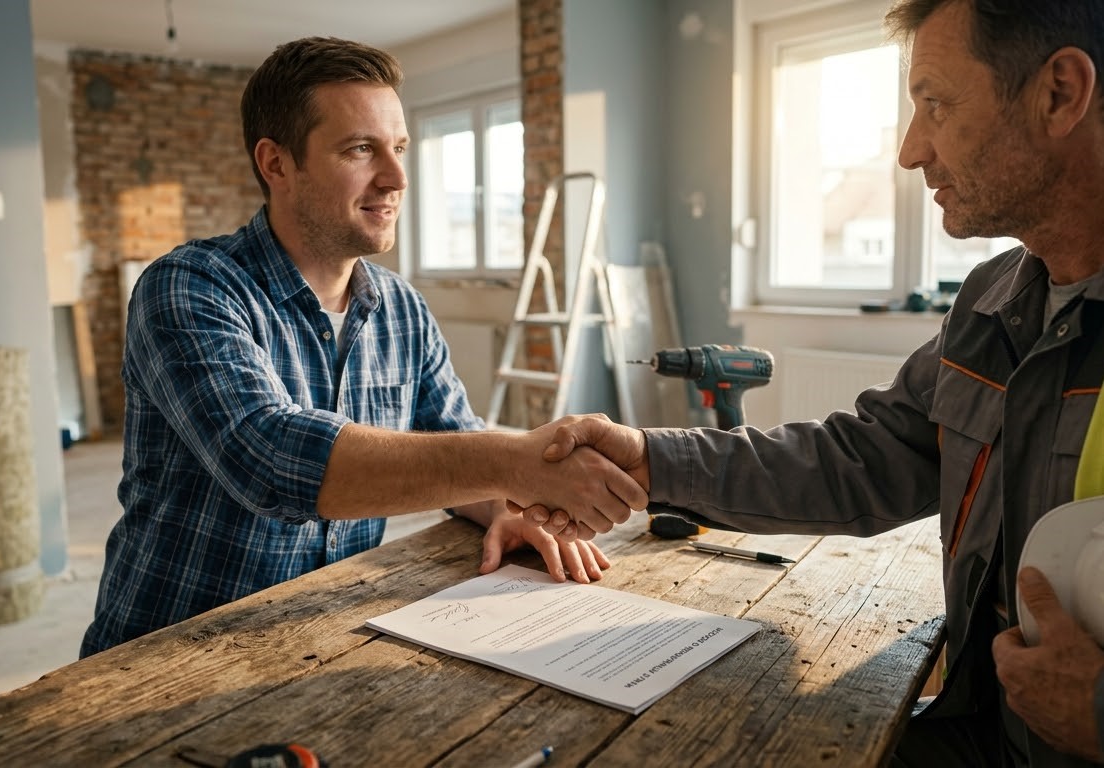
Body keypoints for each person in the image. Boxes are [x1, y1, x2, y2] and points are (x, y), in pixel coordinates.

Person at [519, 1, 1104, 764]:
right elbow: (857, 458)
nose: (910, 150)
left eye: (935, 104)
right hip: (978, 727)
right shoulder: (991, 305)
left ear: (1059, 92)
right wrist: (650, 457)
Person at [80, 37, 647, 658]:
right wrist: (515, 461)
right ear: (276, 164)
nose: (397, 178)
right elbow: (268, 459)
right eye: (360, 149)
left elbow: (451, 440)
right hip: (166, 649)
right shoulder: (189, 285)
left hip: (319, 639)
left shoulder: (401, 309)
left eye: (399, 148)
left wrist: (501, 506)